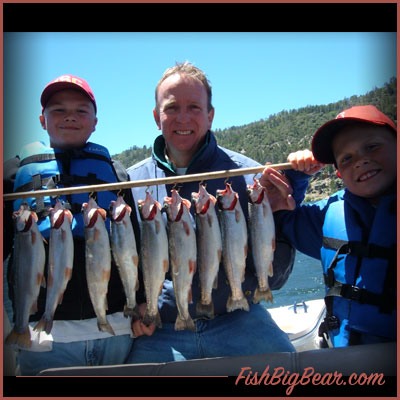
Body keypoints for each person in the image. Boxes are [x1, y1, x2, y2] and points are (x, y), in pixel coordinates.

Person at [126, 61, 300, 364]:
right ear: (157, 117)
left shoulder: (250, 175)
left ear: (210, 116)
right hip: (162, 329)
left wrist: (279, 216)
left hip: (239, 318)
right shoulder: (130, 185)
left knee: (292, 374)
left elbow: (278, 268)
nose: (183, 117)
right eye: (171, 107)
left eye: (194, 107)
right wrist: (141, 308)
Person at [3, 75, 141, 375]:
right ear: (42, 120)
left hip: (116, 330)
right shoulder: (12, 174)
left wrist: (141, 303)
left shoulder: (115, 172)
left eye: (81, 110)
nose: (70, 117)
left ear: (95, 122)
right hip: (44, 339)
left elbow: (136, 245)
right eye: (58, 110)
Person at [260, 105, 397, 348]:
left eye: (372, 146)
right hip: (345, 358)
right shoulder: (326, 217)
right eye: (347, 158)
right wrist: (296, 179)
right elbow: (282, 216)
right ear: (338, 173)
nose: (361, 161)